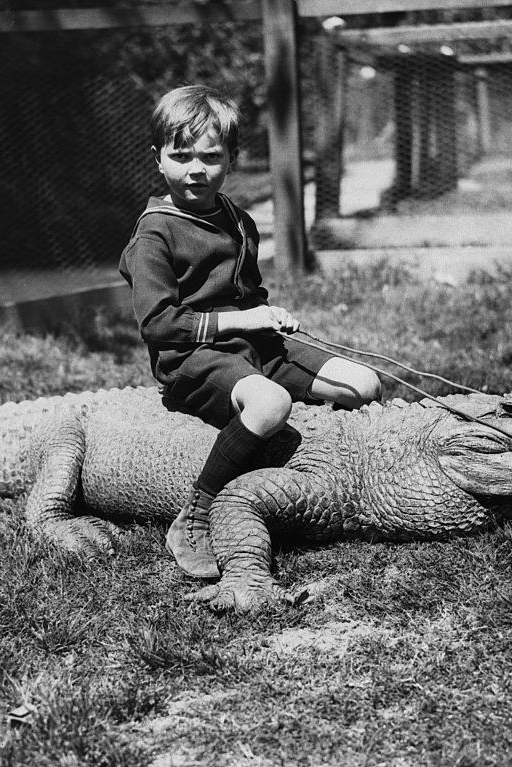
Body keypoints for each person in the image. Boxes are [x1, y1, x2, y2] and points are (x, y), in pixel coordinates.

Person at [119, 84, 381, 578]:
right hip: (194, 359)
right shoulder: (155, 231)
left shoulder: (238, 220)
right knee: (270, 404)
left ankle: (333, 478)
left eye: (210, 156)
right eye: (180, 156)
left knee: (363, 385)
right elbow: (159, 325)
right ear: (158, 159)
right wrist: (245, 319)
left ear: (232, 159)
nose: (195, 169)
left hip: (256, 348)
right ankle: (196, 513)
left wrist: (269, 314)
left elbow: (248, 296)